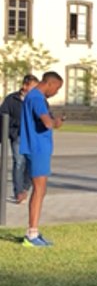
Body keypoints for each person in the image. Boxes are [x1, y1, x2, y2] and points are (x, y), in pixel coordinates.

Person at [19, 71, 64, 247]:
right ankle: (32, 233)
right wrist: (55, 123)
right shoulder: (37, 98)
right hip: (37, 148)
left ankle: (33, 231)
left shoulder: (31, 96)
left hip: (36, 147)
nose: (56, 93)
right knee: (39, 190)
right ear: (50, 84)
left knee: (41, 190)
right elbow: (46, 122)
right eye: (57, 88)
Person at [1, 74, 38, 204]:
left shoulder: (37, 99)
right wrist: (16, 126)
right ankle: (18, 192)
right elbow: (3, 116)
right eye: (33, 87)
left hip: (33, 137)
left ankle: (25, 188)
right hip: (18, 136)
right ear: (25, 85)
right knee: (19, 163)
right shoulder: (11, 99)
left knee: (32, 163)